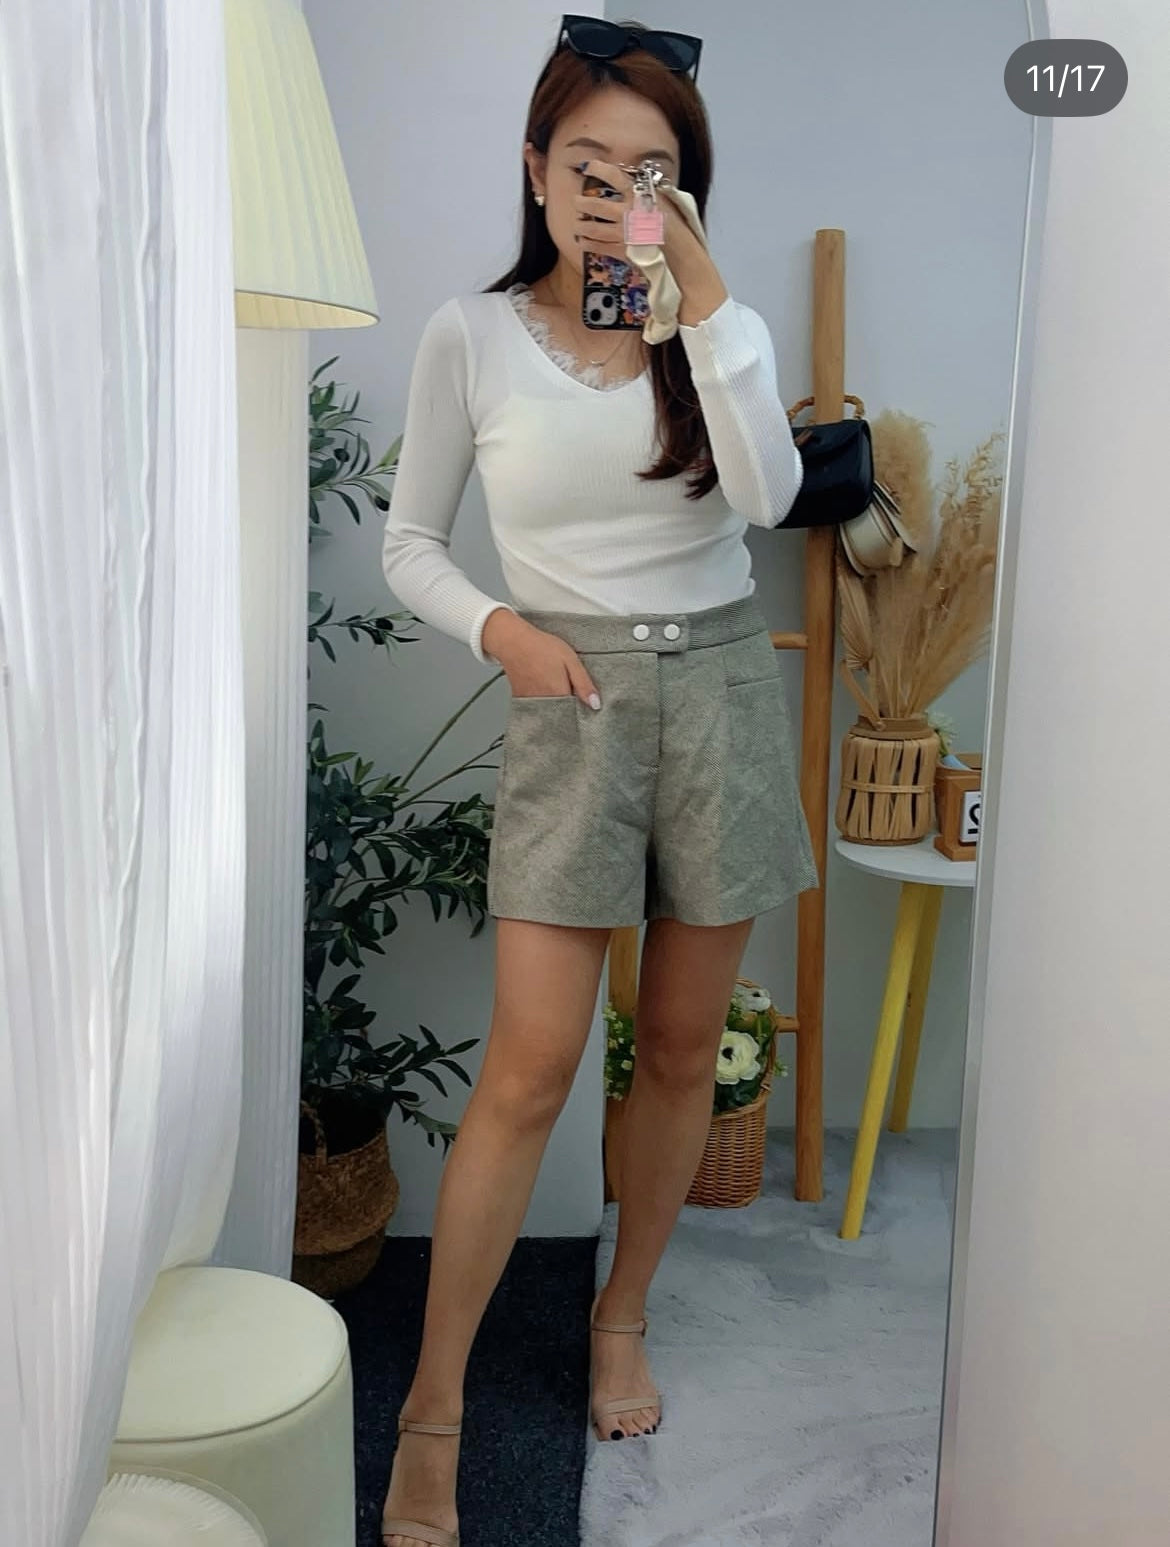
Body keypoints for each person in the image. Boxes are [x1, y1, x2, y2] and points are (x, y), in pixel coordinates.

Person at [378, 17, 817, 1547]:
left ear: (681, 188)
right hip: (570, 696)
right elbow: (408, 544)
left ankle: (619, 1314)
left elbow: (769, 496)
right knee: (530, 1066)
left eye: (650, 170)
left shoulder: (713, 332)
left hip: (718, 690)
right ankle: (432, 1405)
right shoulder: (471, 335)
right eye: (588, 165)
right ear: (534, 168)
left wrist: (704, 300)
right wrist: (501, 629)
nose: (614, 193)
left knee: (682, 1044)